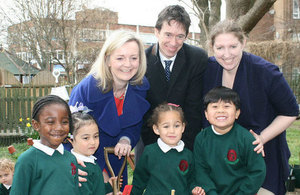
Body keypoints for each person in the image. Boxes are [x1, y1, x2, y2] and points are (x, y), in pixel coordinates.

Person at [203, 20, 299, 195]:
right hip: (221, 162)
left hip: (261, 157)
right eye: (220, 48)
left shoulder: (266, 72)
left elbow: (291, 111)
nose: (226, 54)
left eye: (233, 46)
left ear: (243, 43)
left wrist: (261, 138)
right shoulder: (208, 70)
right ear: (212, 47)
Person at [68, 30, 150, 187]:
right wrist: (99, 169)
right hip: (86, 163)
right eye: (120, 58)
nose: (128, 64)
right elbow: (69, 132)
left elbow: (134, 123)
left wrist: (126, 139)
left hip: (115, 161)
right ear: (108, 60)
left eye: (134, 58)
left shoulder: (140, 87)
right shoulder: (87, 89)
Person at [137, 4, 208, 162]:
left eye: (180, 36)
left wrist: (184, 151)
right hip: (149, 142)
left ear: (186, 35)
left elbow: (194, 109)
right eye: (168, 34)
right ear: (157, 32)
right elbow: (140, 110)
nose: (173, 42)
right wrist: (156, 150)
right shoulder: (140, 60)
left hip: (186, 143)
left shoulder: (197, 59)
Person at [194, 86, 266, 195]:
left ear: (237, 113)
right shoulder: (201, 139)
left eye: (227, 106)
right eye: (215, 106)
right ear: (206, 114)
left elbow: (257, 171)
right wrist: (211, 192)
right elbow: (201, 171)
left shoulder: (246, 139)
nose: (221, 111)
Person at [10, 95, 80, 195]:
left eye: (64, 122)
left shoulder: (71, 158)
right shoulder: (27, 160)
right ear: (36, 125)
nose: (59, 127)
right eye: (51, 122)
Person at [131, 103, 205, 195]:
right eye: (166, 126)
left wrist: (195, 189)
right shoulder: (150, 152)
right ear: (156, 129)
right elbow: (139, 182)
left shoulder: (188, 154)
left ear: (183, 127)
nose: (172, 131)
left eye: (176, 126)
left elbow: (191, 181)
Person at [68, 111, 118, 195]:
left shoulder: (89, 161)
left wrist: (108, 186)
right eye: (86, 138)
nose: (92, 142)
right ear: (71, 140)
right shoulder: (81, 168)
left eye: (95, 136)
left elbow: (94, 188)